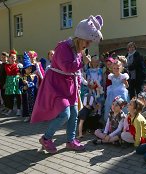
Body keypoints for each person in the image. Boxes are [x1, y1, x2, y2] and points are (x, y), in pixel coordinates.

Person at [31, 15, 104, 153]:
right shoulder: (63, 47)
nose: (88, 45)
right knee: (65, 114)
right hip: (56, 85)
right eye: (87, 41)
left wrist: (84, 81)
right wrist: (83, 62)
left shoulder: (78, 50)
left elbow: (75, 71)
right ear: (80, 37)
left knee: (74, 113)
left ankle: (70, 141)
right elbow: (67, 67)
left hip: (69, 85)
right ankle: (46, 138)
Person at [19, 52, 38, 122]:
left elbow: (34, 84)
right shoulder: (21, 77)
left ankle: (33, 116)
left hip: (33, 94)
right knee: (26, 105)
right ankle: (27, 116)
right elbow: (20, 86)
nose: (29, 69)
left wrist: (28, 84)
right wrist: (23, 88)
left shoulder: (34, 76)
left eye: (30, 68)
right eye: (28, 68)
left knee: (33, 105)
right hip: (25, 95)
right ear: (24, 69)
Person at [4, 50, 22, 116]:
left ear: (16, 58)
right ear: (9, 58)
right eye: (11, 57)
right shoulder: (6, 65)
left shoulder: (19, 65)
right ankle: (10, 109)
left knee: (18, 95)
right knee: (10, 96)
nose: (13, 58)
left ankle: (19, 109)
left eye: (14, 57)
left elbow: (20, 73)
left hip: (16, 80)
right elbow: (8, 73)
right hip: (9, 81)